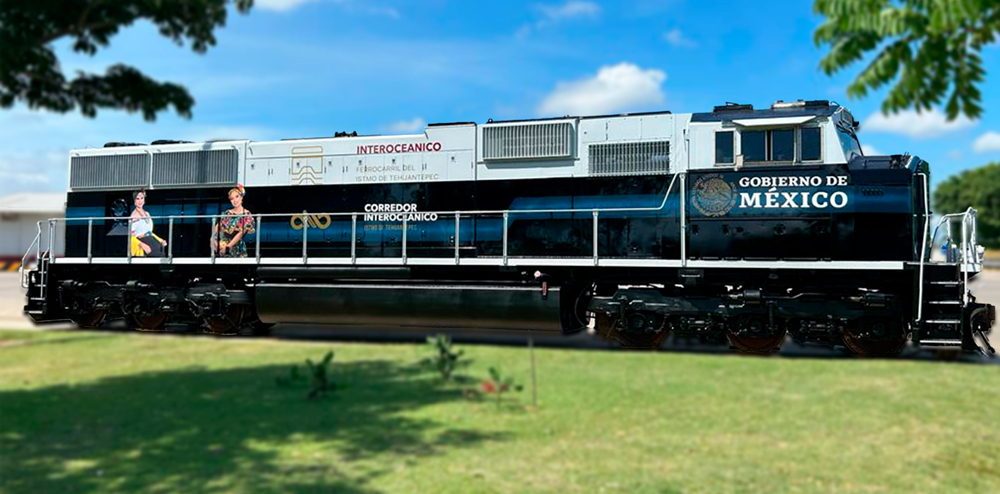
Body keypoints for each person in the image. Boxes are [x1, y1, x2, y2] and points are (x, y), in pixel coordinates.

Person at [212, 184, 255, 258]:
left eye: (237, 196)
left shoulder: (247, 214)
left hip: (238, 249)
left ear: (241, 197)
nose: (235, 200)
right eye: (231, 199)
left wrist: (227, 247)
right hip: (222, 247)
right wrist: (214, 242)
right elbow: (216, 229)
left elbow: (241, 233)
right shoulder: (227, 213)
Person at [129, 189, 166, 257]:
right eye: (137, 199)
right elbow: (131, 236)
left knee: (161, 249)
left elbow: (149, 232)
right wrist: (142, 245)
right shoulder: (134, 215)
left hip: (150, 238)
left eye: (142, 198)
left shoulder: (147, 213)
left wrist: (160, 240)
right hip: (142, 240)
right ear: (134, 201)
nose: (140, 201)